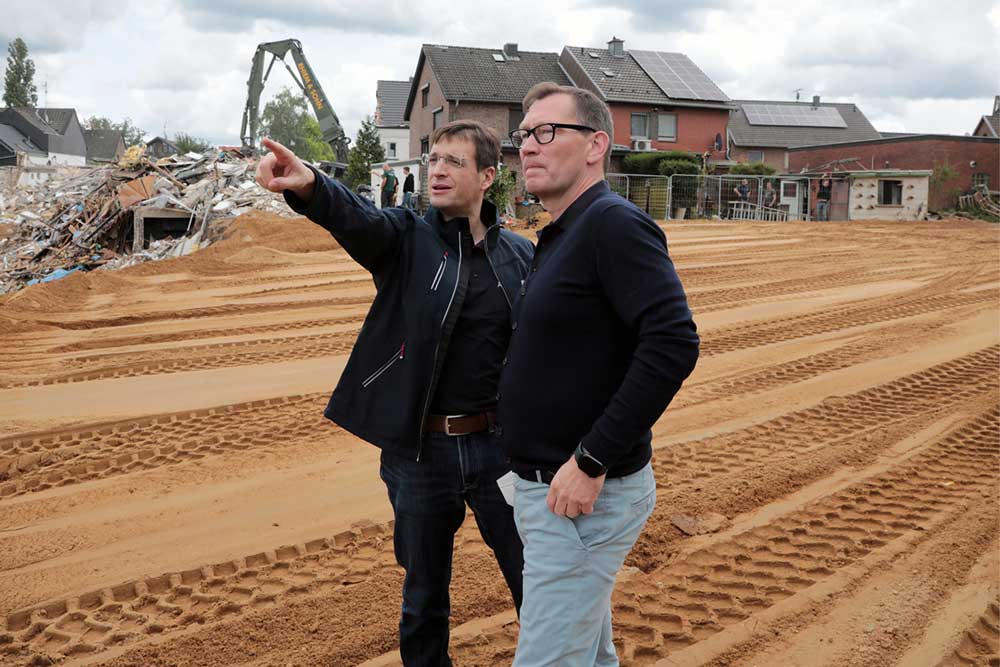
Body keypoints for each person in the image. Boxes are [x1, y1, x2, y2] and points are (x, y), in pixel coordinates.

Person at [255, 120, 533, 667]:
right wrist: (309, 182)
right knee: (424, 598)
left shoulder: (521, 257)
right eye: (433, 160)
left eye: (454, 161)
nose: (437, 170)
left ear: (487, 176)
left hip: (500, 450)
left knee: (534, 580)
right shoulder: (406, 240)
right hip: (422, 452)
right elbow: (355, 218)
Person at [500, 82, 700, 666]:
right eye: (522, 137)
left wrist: (591, 460)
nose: (527, 149)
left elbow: (672, 343)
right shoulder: (563, 232)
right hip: (552, 493)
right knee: (587, 657)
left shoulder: (614, 225)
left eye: (545, 132)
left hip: (583, 500)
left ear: (595, 145)